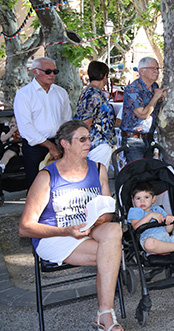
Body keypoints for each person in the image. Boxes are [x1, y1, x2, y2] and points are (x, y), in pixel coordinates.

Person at [19, 121, 123, 330]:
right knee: (111, 253)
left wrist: (100, 220)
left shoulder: (98, 169)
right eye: (82, 139)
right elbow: (25, 227)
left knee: (114, 229)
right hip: (55, 236)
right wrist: (67, 230)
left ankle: (104, 313)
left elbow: (108, 209)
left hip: (88, 231)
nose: (88, 143)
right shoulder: (47, 176)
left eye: (89, 138)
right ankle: (106, 315)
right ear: (65, 144)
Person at [14, 57, 72, 186]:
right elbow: (26, 127)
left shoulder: (61, 92)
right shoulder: (24, 94)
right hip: (35, 147)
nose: (52, 75)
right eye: (48, 71)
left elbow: (67, 120)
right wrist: (50, 146)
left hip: (59, 143)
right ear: (35, 72)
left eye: (54, 71)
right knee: (36, 185)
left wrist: (62, 144)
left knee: (61, 183)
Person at [120, 57, 167, 162]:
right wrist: (156, 97)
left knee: (147, 174)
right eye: (152, 68)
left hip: (149, 139)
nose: (156, 71)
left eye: (158, 68)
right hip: (134, 140)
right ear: (141, 71)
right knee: (137, 175)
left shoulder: (154, 86)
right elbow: (142, 115)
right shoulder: (133, 89)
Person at [74, 61, 116, 167]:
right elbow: (86, 122)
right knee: (96, 178)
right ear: (105, 76)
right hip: (97, 145)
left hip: (95, 144)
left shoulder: (89, 92)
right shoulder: (93, 94)